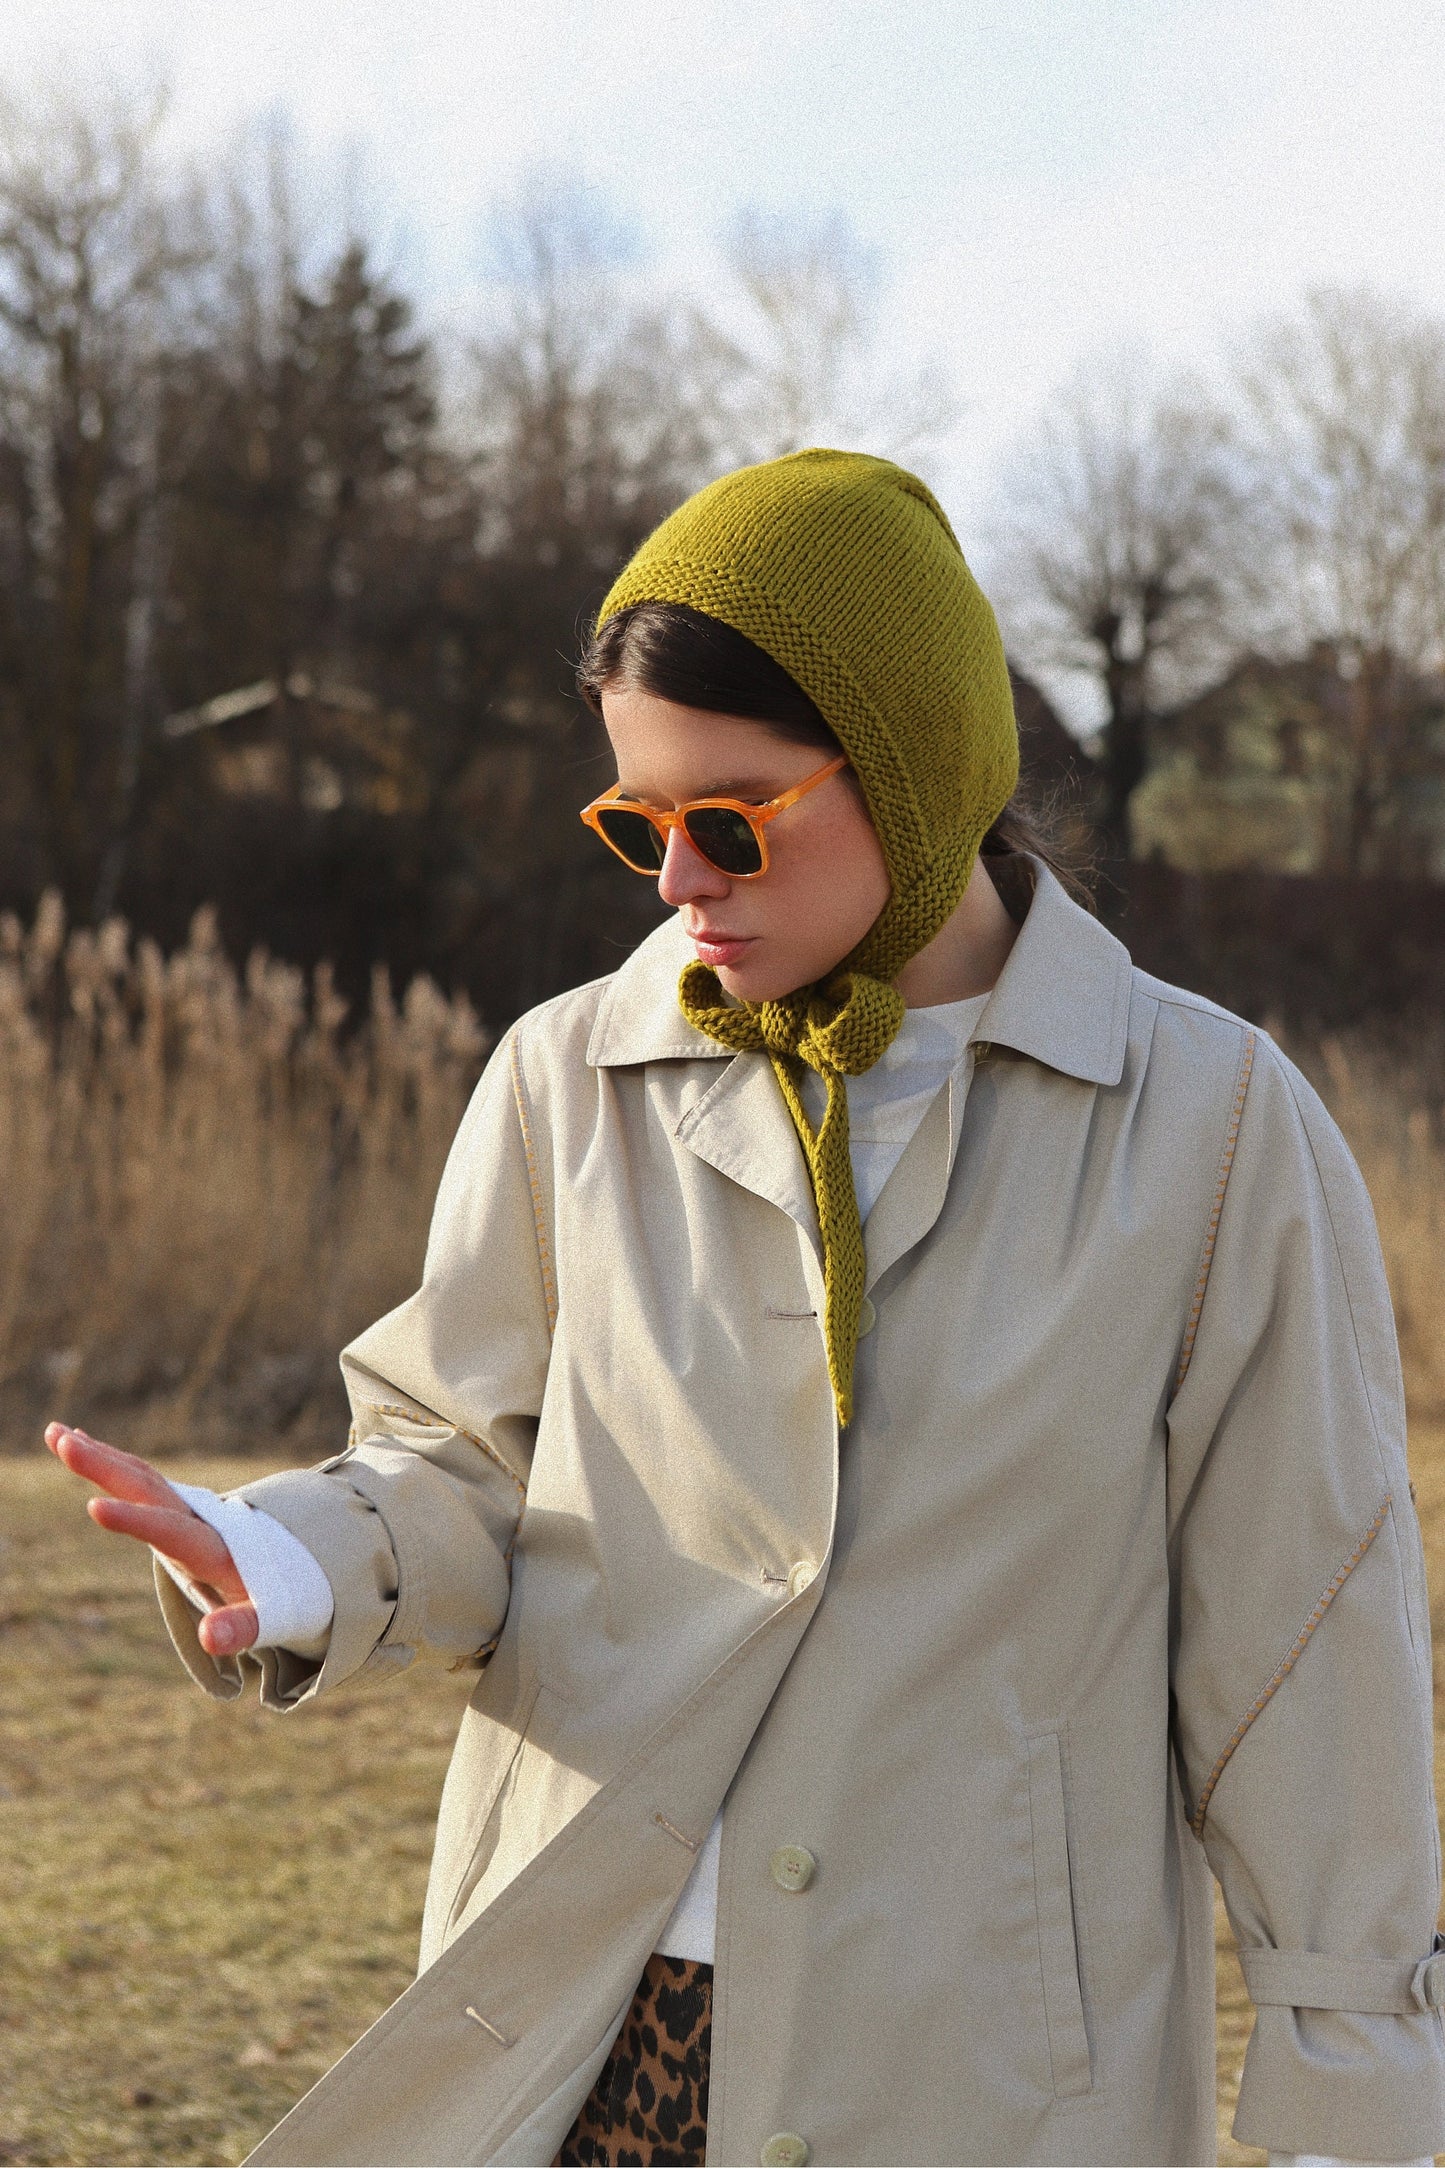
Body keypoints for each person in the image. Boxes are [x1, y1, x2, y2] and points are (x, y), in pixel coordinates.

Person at [45, 449, 1445, 2168]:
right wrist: (289, 1554)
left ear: (918, 769)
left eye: (731, 816)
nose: (676, 881)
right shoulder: (570, 1076)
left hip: (978, 2076)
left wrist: (1347, 2103)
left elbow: (1302, 1650)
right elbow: (464, 1468)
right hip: (580, 2025)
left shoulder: (1213, 1133)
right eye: (639, 823)